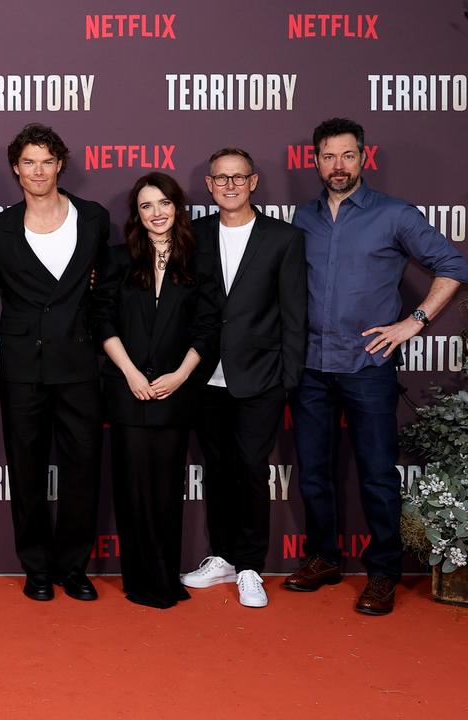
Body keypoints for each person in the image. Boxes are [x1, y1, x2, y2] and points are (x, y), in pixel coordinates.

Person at [286, 118, 468, 615]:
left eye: (347, 155)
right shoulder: (301, 219)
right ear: (316, 160)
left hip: (368, 364)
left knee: (377, 476)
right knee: (314, 475)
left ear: (363, 158)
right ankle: (323, 558)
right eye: (328, 156)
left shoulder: (394, 215)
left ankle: (383, 572)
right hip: (310, 366)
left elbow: (454, 267)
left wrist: (414, 322)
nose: (337, 166)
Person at [0, 123, 111, 602]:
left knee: (83, 470)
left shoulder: (94, 218)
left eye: (47, 161)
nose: (38, 171)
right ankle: (35, 567)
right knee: (27, 470)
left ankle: (73, 567)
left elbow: (106, 291)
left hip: (79, 364)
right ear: (16, 168)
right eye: (29, 162)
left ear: (61, 165)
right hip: (22, 367)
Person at [185, 148, 307, 608]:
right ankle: (221, 557)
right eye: (221, 178)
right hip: (204, 379)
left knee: (252, 470)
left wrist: (287, 378)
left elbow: (295, 312)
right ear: (210, 184)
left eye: (238, 178)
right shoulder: (193, 235)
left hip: (262, 378)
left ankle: (251, 565)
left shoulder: (284, 238)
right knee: (217, 471)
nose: (230, 185)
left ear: (253, 182)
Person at [95, 172, 220, 609]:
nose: (156, 213)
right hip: (127, 388)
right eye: (146, 206)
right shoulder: (116, 260)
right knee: (132, 488)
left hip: (176, 390)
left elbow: (207, 329)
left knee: (167, 489)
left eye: (163, 203)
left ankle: (165, 577)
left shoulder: (200, 262)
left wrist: (181, 375)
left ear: (177, 207)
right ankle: (138, 579)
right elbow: (103, 322)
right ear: (137, 213)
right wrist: (130, 373)